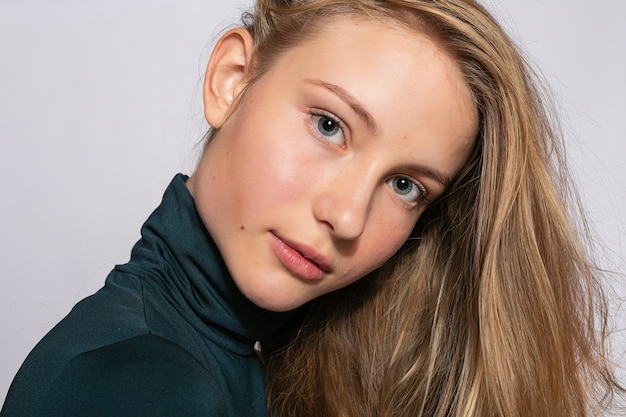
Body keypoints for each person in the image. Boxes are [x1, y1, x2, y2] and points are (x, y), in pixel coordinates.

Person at [0, 1, 621, 417]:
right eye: (329, 126)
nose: (348, 218)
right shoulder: (138, 381)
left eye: (406, 186)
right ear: (232, 80)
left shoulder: (218, 362)